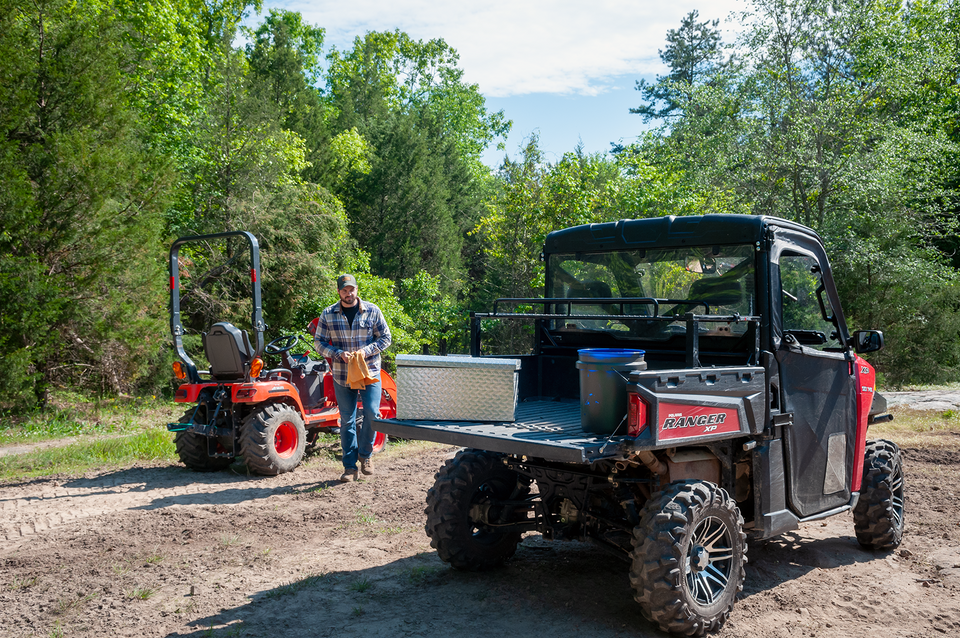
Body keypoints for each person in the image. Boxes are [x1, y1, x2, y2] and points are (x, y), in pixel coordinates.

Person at [313, 274, 392, 482]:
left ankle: (365, 455)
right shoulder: (328, 314)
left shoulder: (372, 310)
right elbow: (318, 343)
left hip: (369, 371)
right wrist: (338, 353)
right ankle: (349, 468)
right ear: (339, 292)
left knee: (372, 414)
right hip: (342, 373)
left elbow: (386, 338)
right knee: (346, 420)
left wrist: (366, 351)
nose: (349, 294)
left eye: (352, 290)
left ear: (357, 290)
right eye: (344, 290)